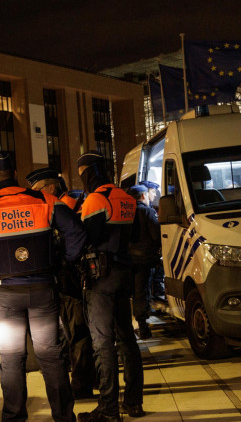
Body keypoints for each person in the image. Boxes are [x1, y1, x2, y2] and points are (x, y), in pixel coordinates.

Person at [0, 152, 86, 422]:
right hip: (42, 290)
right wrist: (65, 261)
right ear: (16, 174)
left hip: (3, 295)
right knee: (51, 357)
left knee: (11, 359)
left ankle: (14, 418)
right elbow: (76, 231)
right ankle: (64, 417)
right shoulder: (44, 200)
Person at [77, 150, 145, 421]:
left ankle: (108, 409)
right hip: (124, 273)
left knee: (103, 343)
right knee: (127, 338)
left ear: (90, 172)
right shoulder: (126, 197)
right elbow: (136, 235)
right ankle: (133, 402)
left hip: (101, 277)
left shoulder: (95, 199)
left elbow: (85, 239)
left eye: (82, 175)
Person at [25, 167, 96, 400]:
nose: (35, 195)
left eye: (37, 190)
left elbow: (75, 237)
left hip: (70, 279)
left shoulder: (63, 206)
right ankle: (86, 377)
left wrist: (66, 261)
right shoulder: (67, 204)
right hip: (72, 278)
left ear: (50, 188)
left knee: (76, 331)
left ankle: (81, 384)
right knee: (74, 331)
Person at [127, 184, 161, 340]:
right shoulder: (147, 211)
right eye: (148, 195)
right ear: (142, 196)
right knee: (141, 292)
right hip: (143, 260)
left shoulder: (125, 212)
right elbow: (156, 235)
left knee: (130, 293)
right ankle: (142, 326)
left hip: (126, 260)